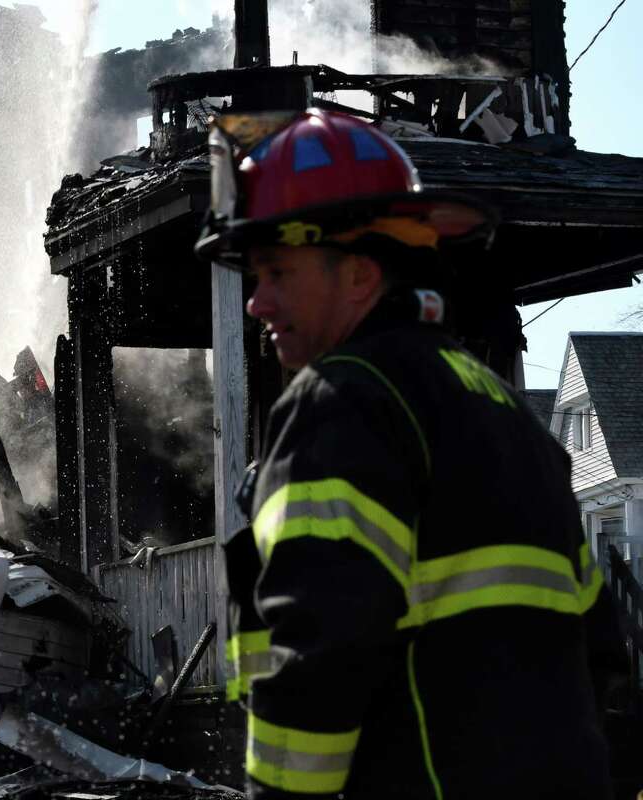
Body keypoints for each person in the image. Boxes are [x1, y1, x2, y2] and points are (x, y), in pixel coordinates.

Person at [197, 110, 622, 799]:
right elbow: (601, 650)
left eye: (275, 272)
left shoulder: (340, 402)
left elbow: (320, 654)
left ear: (361, 276)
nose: (257, 303)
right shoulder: (507, 411)